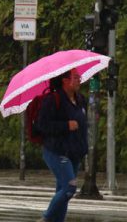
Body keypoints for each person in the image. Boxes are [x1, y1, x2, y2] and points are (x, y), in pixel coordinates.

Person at [36, 69, 87, 222]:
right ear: (65, 81)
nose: (79, 80)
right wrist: (66, 125)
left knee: (63, 190)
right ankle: (46, 218)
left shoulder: (80, 99)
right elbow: (42, 125)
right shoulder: (53, 100)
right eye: (76, 77)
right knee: (69, 188)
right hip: (56, 151)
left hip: (74, 153)